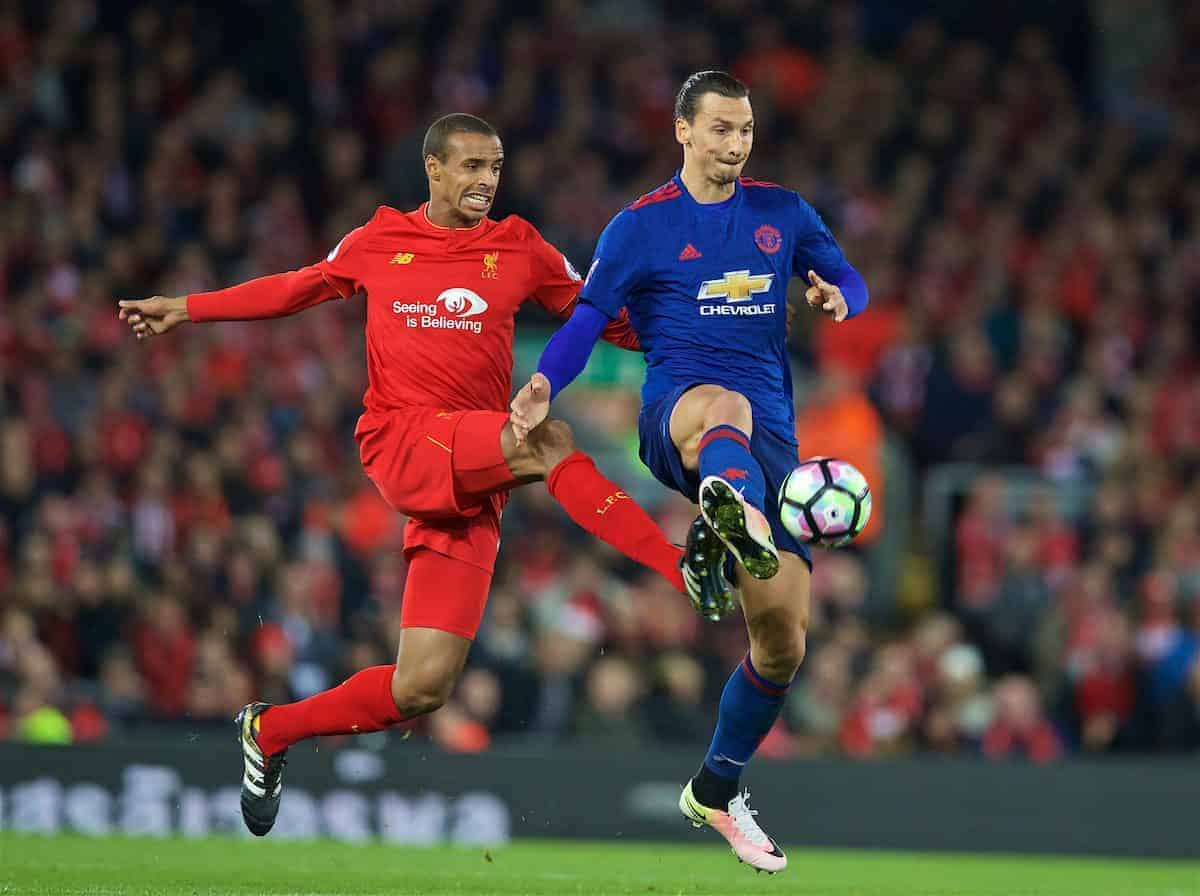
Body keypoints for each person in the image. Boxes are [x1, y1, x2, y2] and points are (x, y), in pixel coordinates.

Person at [117, 113, 719, 837]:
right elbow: (294, 287)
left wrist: (707, 318)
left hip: (473, 471)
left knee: (422, 687)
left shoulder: (520, 247)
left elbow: (602, 317)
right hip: (403, 439)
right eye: (470, 167)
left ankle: (270, 732)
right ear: (433, 169)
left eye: (494, 168)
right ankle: (676, 562)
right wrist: (187, 308)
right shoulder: (379, 240)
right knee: (550, 438)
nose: (485, 182)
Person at [510, 72, 869, 873]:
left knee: (783, 646)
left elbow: (852, 277)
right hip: (680, 413)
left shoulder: (783, 213)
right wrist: (540, 385)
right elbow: (584, 323)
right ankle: (723, 512)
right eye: (720, 130)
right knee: (724, 407)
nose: (736, 145)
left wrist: (841, 297)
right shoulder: (640, 228)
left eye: (745, 130)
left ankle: (715, 787)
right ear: (683, 130)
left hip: (770, 447)